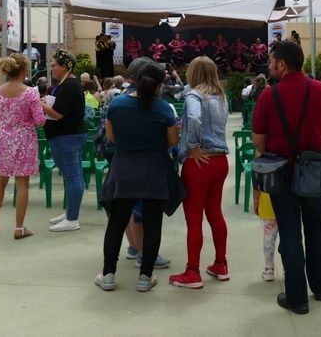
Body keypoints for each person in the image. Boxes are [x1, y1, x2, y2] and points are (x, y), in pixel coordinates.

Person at [252, 40, 321, 314]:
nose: (269, 65)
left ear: (282, 64)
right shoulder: (320, 90)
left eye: (271, 61)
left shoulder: (268, 96)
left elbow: (258, 140)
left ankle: (297, 298)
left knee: (290, 233)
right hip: (314, 170)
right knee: (317, 228)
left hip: (280, 172)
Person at [96, 63, 179, 292]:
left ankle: (108, 275)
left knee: (116, 223)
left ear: (136, 79)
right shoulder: (164, 109)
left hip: (123, 169)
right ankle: (145, 277)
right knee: (153, 224)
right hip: (154, 171)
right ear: (159, 85)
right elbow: (173, 141)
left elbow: (111, 137)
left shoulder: (117, 104)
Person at [169, 57, 230, 289]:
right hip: (220, 161)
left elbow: (194, 118)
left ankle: (192, 271)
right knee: (215, 213)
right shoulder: (221, 97)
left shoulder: (194, 96)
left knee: (194, 219)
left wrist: (193, 146)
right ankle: (220, 264)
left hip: (199, 162)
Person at [0, 54, 46, 239]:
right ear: (24, 70)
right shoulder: (31, 93)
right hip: (25, 140)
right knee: (22, 184)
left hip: (3, 140)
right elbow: (40, 121)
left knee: (0, 180)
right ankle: (19, 227)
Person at [119, 57, 172, 270]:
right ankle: (144, 253)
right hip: (146, 164)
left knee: (128, 206)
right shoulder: (156, 105)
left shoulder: (118, 99)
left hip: (121, 160)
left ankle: (134, 246)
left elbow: (109, 135)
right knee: (140, 211)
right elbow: (171, 140)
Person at [40, 50, 88, 232]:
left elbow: (58, 114)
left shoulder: (69, 86)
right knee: (73, 176)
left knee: (72, 176)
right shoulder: (69, 84)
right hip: (69, 135)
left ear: (65, 67)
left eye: (54, 65)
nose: (51, 68)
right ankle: (70, 211)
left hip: (66, 136)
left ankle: (72, 218)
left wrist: (39, 103)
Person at [253, 190, 278, 281]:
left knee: (269, 237)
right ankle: (288, 270)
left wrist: (256, 201)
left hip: (267, 200)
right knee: (287, 238)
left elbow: (256, 184)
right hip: (288, 202)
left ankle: (269, 269)